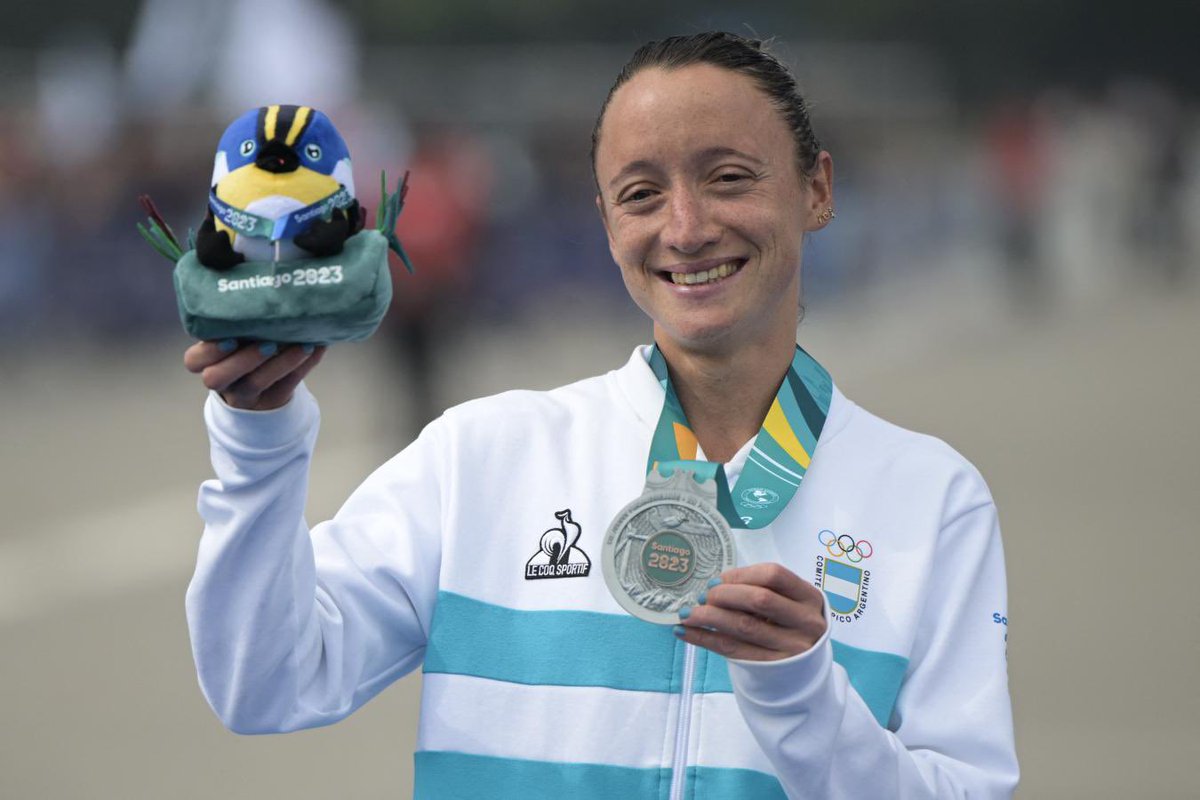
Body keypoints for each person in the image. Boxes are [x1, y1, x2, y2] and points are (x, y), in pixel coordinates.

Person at [184, 32, 1018, 798]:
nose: (685, 228)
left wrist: (807, 699)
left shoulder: (932, 500)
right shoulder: (480, 459)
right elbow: (266, 685)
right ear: (606, 221)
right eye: (642, 193)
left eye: (729, 177)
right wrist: (258, 444)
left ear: (817, 189)